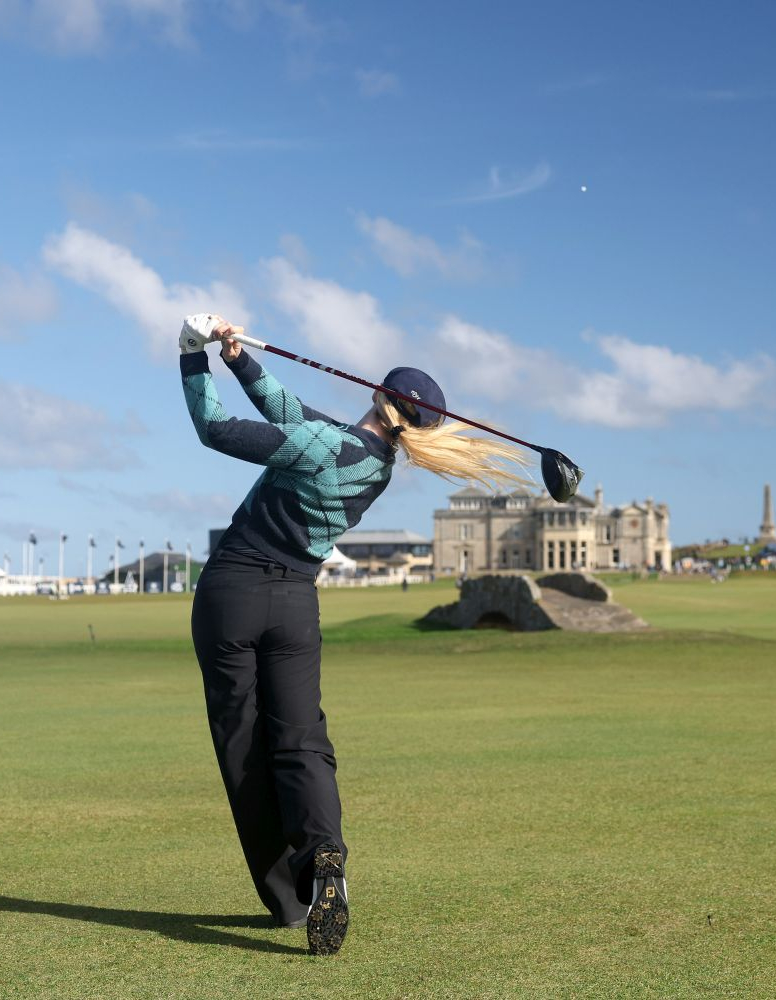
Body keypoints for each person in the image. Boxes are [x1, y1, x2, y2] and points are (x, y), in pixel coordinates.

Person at [178, 313, 527, 955]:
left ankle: (287, 898)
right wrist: (234, 354)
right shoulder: (373, 462)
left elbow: (213, 429)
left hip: (233, 593)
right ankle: (325, 859)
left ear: (379, 394)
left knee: (242, 741)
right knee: (302, 739)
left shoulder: (325, 445)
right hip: (294, 605)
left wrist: (188, 354)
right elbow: (291, 410)